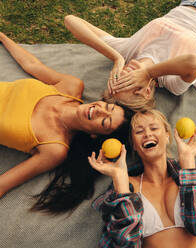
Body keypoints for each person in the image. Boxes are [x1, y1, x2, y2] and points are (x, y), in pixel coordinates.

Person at [0, 31, 133, 213]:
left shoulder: (54, 149)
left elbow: (3, 184)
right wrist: (3, 37)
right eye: (107, 107)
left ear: (95, 135)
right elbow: (31, 65)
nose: (99, 110)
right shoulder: (71, 86)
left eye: (104, 122)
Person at [88, 109, 196, 247]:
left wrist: (188, 160)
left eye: (154, 128)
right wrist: (120, 178)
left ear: (168, 135)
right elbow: (125, 243)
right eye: (139, 131)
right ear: (134, 145)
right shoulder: (126, 187)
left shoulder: (187, 175)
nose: (147, 133)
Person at [64, 0, 196, 110]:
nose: (124, 73)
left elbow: (71, 21)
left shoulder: (126, 54)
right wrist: (148, 72)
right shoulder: (171, 82)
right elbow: (192, 62)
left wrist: (116, 58)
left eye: (118, 80)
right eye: (128, 83)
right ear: (147, 91)